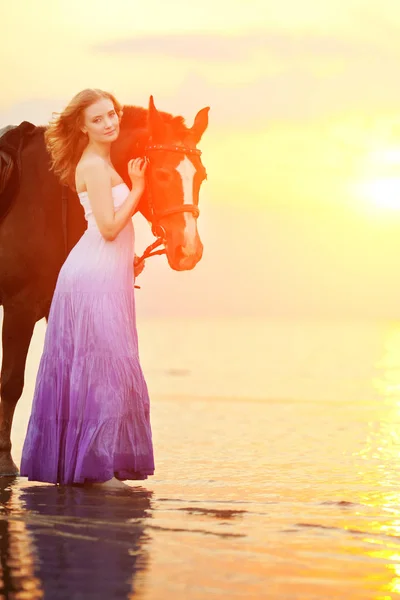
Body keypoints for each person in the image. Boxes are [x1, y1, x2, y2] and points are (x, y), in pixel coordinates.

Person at [20, 88, 155, 488]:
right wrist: (139, 188)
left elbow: (105, 230)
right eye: (98, 119)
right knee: (103, 370)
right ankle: (93, 469)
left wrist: (129, 260)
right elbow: (110, 228)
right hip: (90, 278)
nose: (110, 122)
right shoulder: (94, 164)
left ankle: (97, 465)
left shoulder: (102, 161)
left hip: (103, 273)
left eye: (112, 114)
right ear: (82, 126)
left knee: (105, 368)